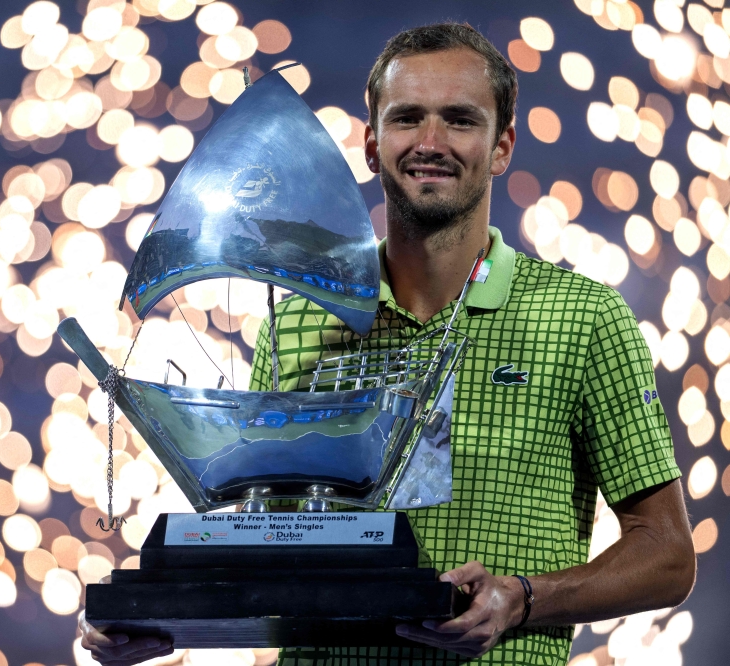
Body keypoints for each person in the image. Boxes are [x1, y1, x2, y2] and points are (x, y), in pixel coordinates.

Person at [80, 22, 696, 666]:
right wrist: (163, 617)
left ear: (503, 145)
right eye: (407, 119)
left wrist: (523, 597)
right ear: (373, 146)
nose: (431, 143)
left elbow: (667, 556)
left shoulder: (584, 318)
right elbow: (257, 545)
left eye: (460, 120)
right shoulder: (292, 324)